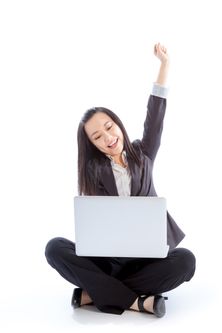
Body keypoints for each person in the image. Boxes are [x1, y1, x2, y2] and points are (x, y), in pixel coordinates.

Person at [45, 43, 196, 318]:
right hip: (109, 261)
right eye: (97, 137)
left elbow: (155, 116)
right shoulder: (92, 171)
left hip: (145, 259)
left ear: (117, 123)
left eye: (108, 127)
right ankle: (140, 302)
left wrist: (164, 66)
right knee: (54, 247)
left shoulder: (143, 152)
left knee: (186, 262)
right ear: (91, 144)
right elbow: (94, 227)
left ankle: (95, 293)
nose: (108, 138)